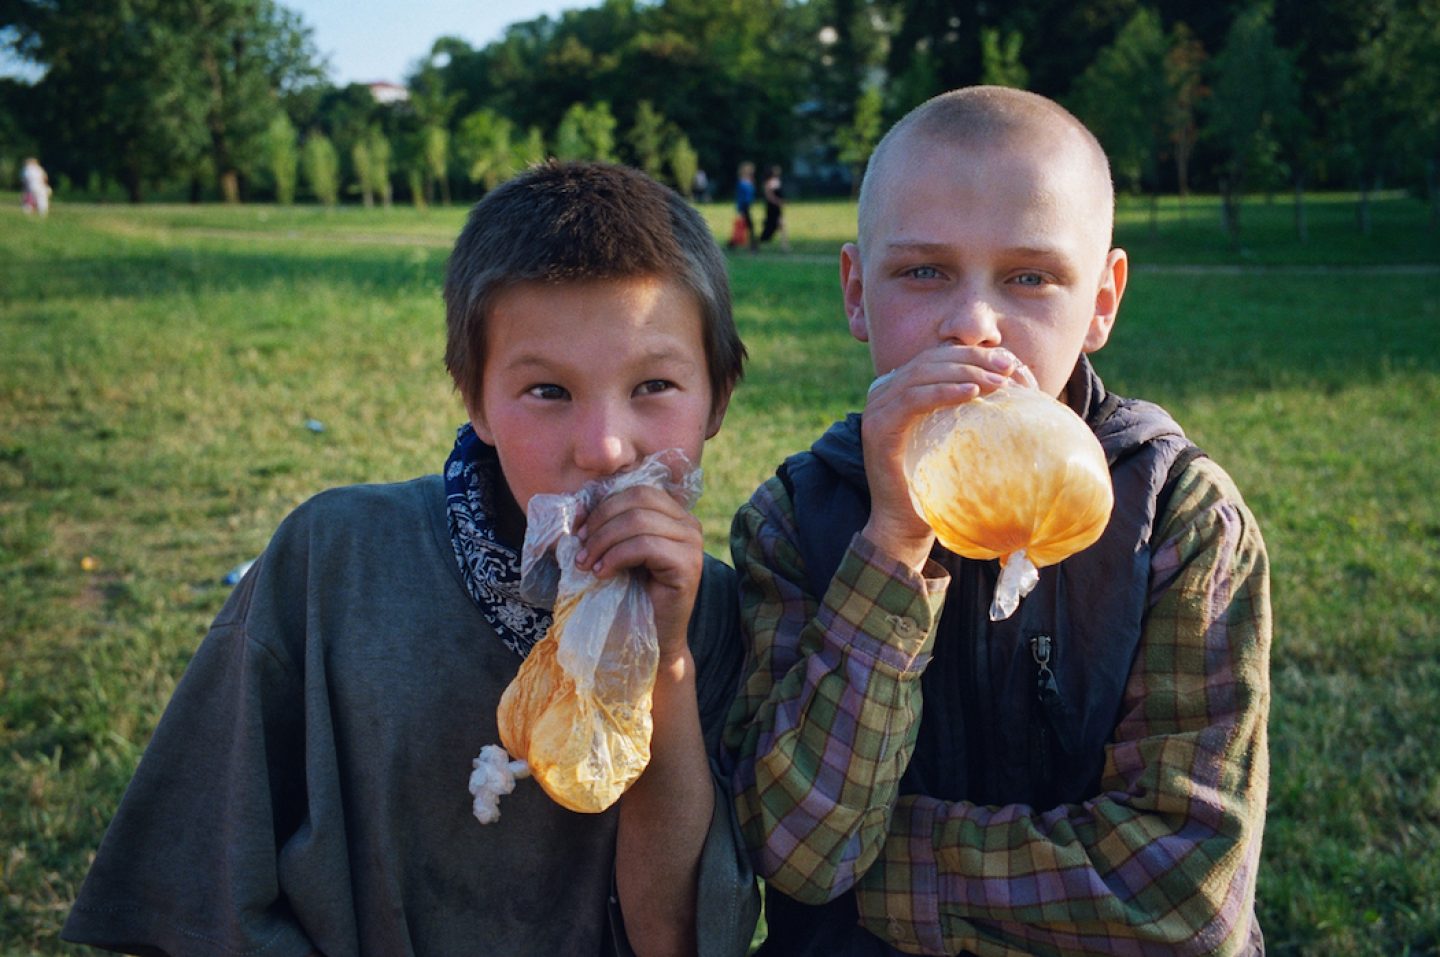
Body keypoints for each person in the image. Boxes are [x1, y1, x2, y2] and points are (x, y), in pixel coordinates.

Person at [62, 161, 760, 957]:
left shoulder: (717, 620)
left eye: (656, 385)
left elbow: (675, 939)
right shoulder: (333, 561)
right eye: (547, 391)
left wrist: (663, 662)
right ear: (475, 398)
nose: (604, 446)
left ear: (719, 399)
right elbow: (203, 894)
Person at [723, 86, 1271, 956]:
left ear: (1101, 301)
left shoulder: (1177, 516)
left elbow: (1184, 888)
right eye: (924, 271)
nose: (975, 325)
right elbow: (802, 851)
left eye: (1030, 277)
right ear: (857, 292)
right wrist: (893, 542)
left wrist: (888, 871)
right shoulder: (795, 520)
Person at [758, 165, 789, 252]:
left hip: (776, 208)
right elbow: (769, 196)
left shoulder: (776, 181)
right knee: (771, 226)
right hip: (772, 208)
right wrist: (779, 201)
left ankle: (785, 246)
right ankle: (760, 242)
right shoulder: (768, 183)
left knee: (781, 225)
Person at [728, 161, 757, 252]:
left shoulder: (750, 181)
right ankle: (752, 246)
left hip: (748, 205)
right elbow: (740, 196)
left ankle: (733, 244)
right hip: (744, 206)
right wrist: (740, 209)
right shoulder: (742, 182)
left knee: (745, 226)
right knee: (748, 226)